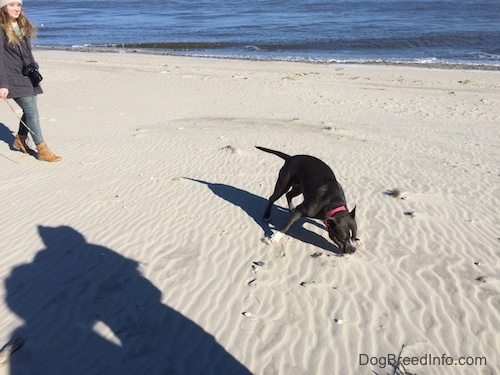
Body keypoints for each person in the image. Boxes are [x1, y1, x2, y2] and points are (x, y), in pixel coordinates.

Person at [0, 0, 60, 162]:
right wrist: (2, 84)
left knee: (30, 110)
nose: (16, 8)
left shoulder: (22, 25)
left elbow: (27, 52)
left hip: (28, 76)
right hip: (12, 77)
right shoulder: (1, 28)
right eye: (11, 5)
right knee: (32, 111)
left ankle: (20, 139)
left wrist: (34, 68)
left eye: (18, 5)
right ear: (3, 7)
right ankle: (42, 149)